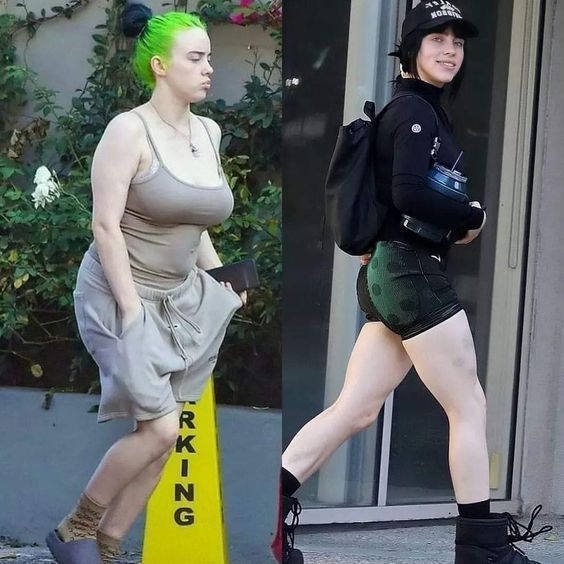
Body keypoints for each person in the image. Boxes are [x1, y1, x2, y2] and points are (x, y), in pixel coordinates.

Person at [277, 2, 550, 564]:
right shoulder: (414, 114)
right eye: (436, 40)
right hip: (410, 273)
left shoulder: (416, 110)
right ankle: (481, 548)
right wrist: (471, 215)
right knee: (468, 405)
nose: (450, 50)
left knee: (355, 409)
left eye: (457, 41)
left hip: (389, 274)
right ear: (409, 50)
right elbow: (408, 193)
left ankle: (271, 516)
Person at [45, 4, 245, 563]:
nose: (209, 68)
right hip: (118, 292)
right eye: (197, 58)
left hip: (181, 299)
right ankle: (73, 530)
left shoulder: (209, 131)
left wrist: (221, 276)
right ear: (160, 65)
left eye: (210, 57)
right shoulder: (127, 130)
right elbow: (104, 226)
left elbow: (196, 221)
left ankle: (106, 549)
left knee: (166, 436)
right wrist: (132, 311)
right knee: (157, 432)